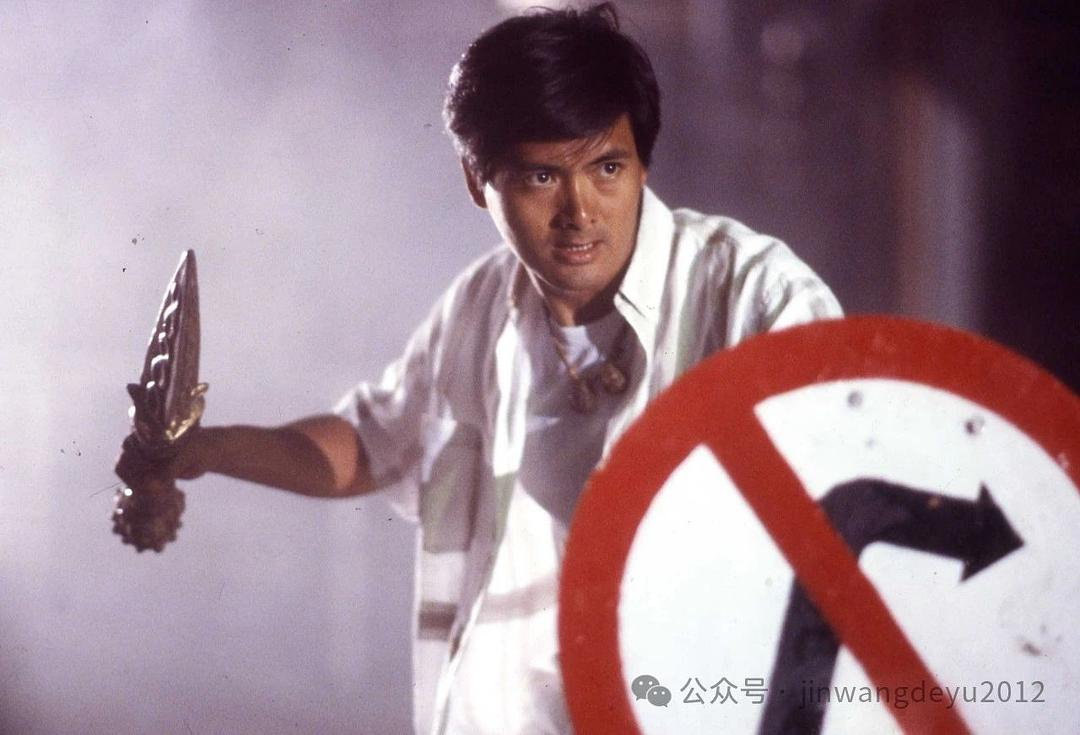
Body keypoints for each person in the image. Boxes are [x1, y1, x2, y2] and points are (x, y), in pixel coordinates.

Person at [115, 4, 841, 734]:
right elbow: (370, 443)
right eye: (540, 176)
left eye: (607, 168)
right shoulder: (482, 304)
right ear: (476, 180)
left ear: (642, 162)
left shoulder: (754, 293)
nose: (579, 210)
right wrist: (203, 449)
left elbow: (844, 509)